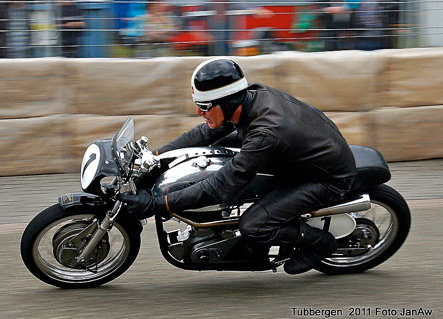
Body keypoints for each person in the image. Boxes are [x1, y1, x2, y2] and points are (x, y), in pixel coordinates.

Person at [117, 58, 357, 275]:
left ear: (226, 102)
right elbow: (204, 133)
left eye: (205, 106)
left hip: (325, 179)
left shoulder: (266, 133)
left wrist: (159, 204)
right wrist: (156, 157)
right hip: (301, 157)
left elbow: (222, 185)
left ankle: (320, 242)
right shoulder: (248, 99)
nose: (198, 111)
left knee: (254, 226)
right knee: (217, 149)